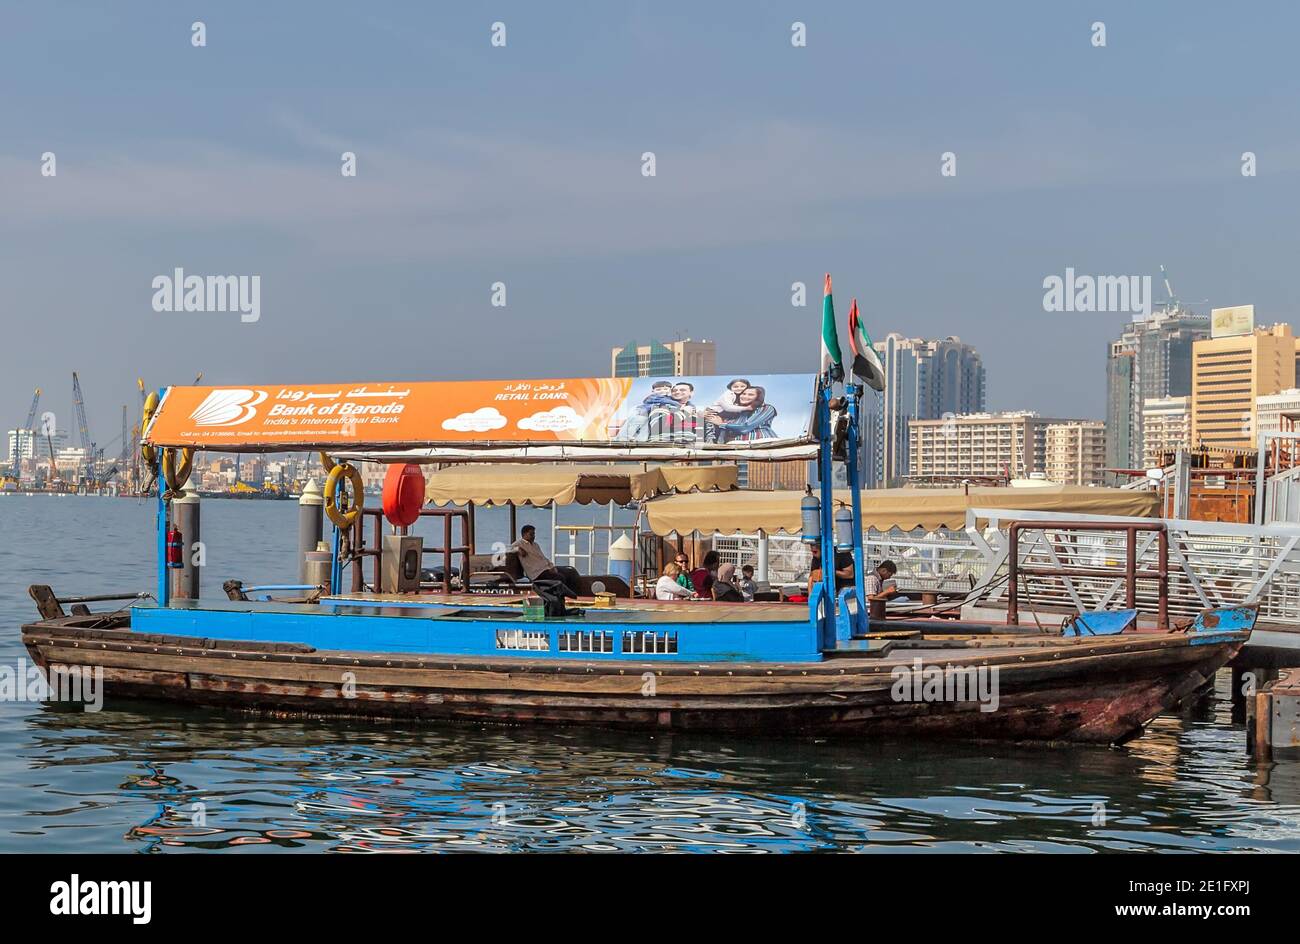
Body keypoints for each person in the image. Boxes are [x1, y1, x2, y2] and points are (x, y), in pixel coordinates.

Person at [509, 525, 580, 596]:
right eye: (531, 534)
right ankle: (561, 597)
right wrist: (517, 549)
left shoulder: (535, 545)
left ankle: (575, 595)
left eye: (534, 534)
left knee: (571, 571)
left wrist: (551, 567)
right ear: (524, 534)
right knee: (560, 578)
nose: (533, 536)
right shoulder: (518, 544)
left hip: (546, 568)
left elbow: (543, 558)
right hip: (537, 573)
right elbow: (508, 548)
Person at [704, 385, 777, 443]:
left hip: (762, 444)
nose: (745, 396)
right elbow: (714, 422)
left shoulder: (767, 408)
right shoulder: (735, 412)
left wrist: (722, 424)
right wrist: (703, 414)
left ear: (758, 397)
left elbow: (745, 427)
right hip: (736, 447)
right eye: (743, 394)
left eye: (750, 395)